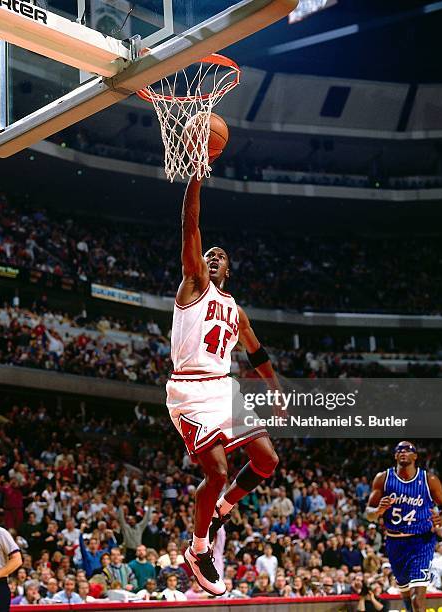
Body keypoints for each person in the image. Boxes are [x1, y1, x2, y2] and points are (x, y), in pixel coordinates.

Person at [166, 171, 281, 595]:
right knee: (216, 470)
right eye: (208, 254)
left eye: (220, 257)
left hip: (223, 387)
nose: (212, 258)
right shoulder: (193, 284)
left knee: (267, 460)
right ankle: (197, 549)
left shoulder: (235, 308)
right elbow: (189, 224)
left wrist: (275, 389)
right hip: (190, 389)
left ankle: (221, 510)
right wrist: (195, 176)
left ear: (228, 270)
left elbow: (256, 350)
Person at [366, 441, 442, 612]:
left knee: (417, 600)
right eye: (400, 450)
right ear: (395, 456)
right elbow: (368, 513)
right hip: (395, 542)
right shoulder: (383, 478)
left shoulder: (429, 480)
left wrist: (441, 519)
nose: (403, 452)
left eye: (408, 450)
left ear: (415, 456)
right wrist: (378, 510)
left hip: (421, 542)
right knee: (405, 595)